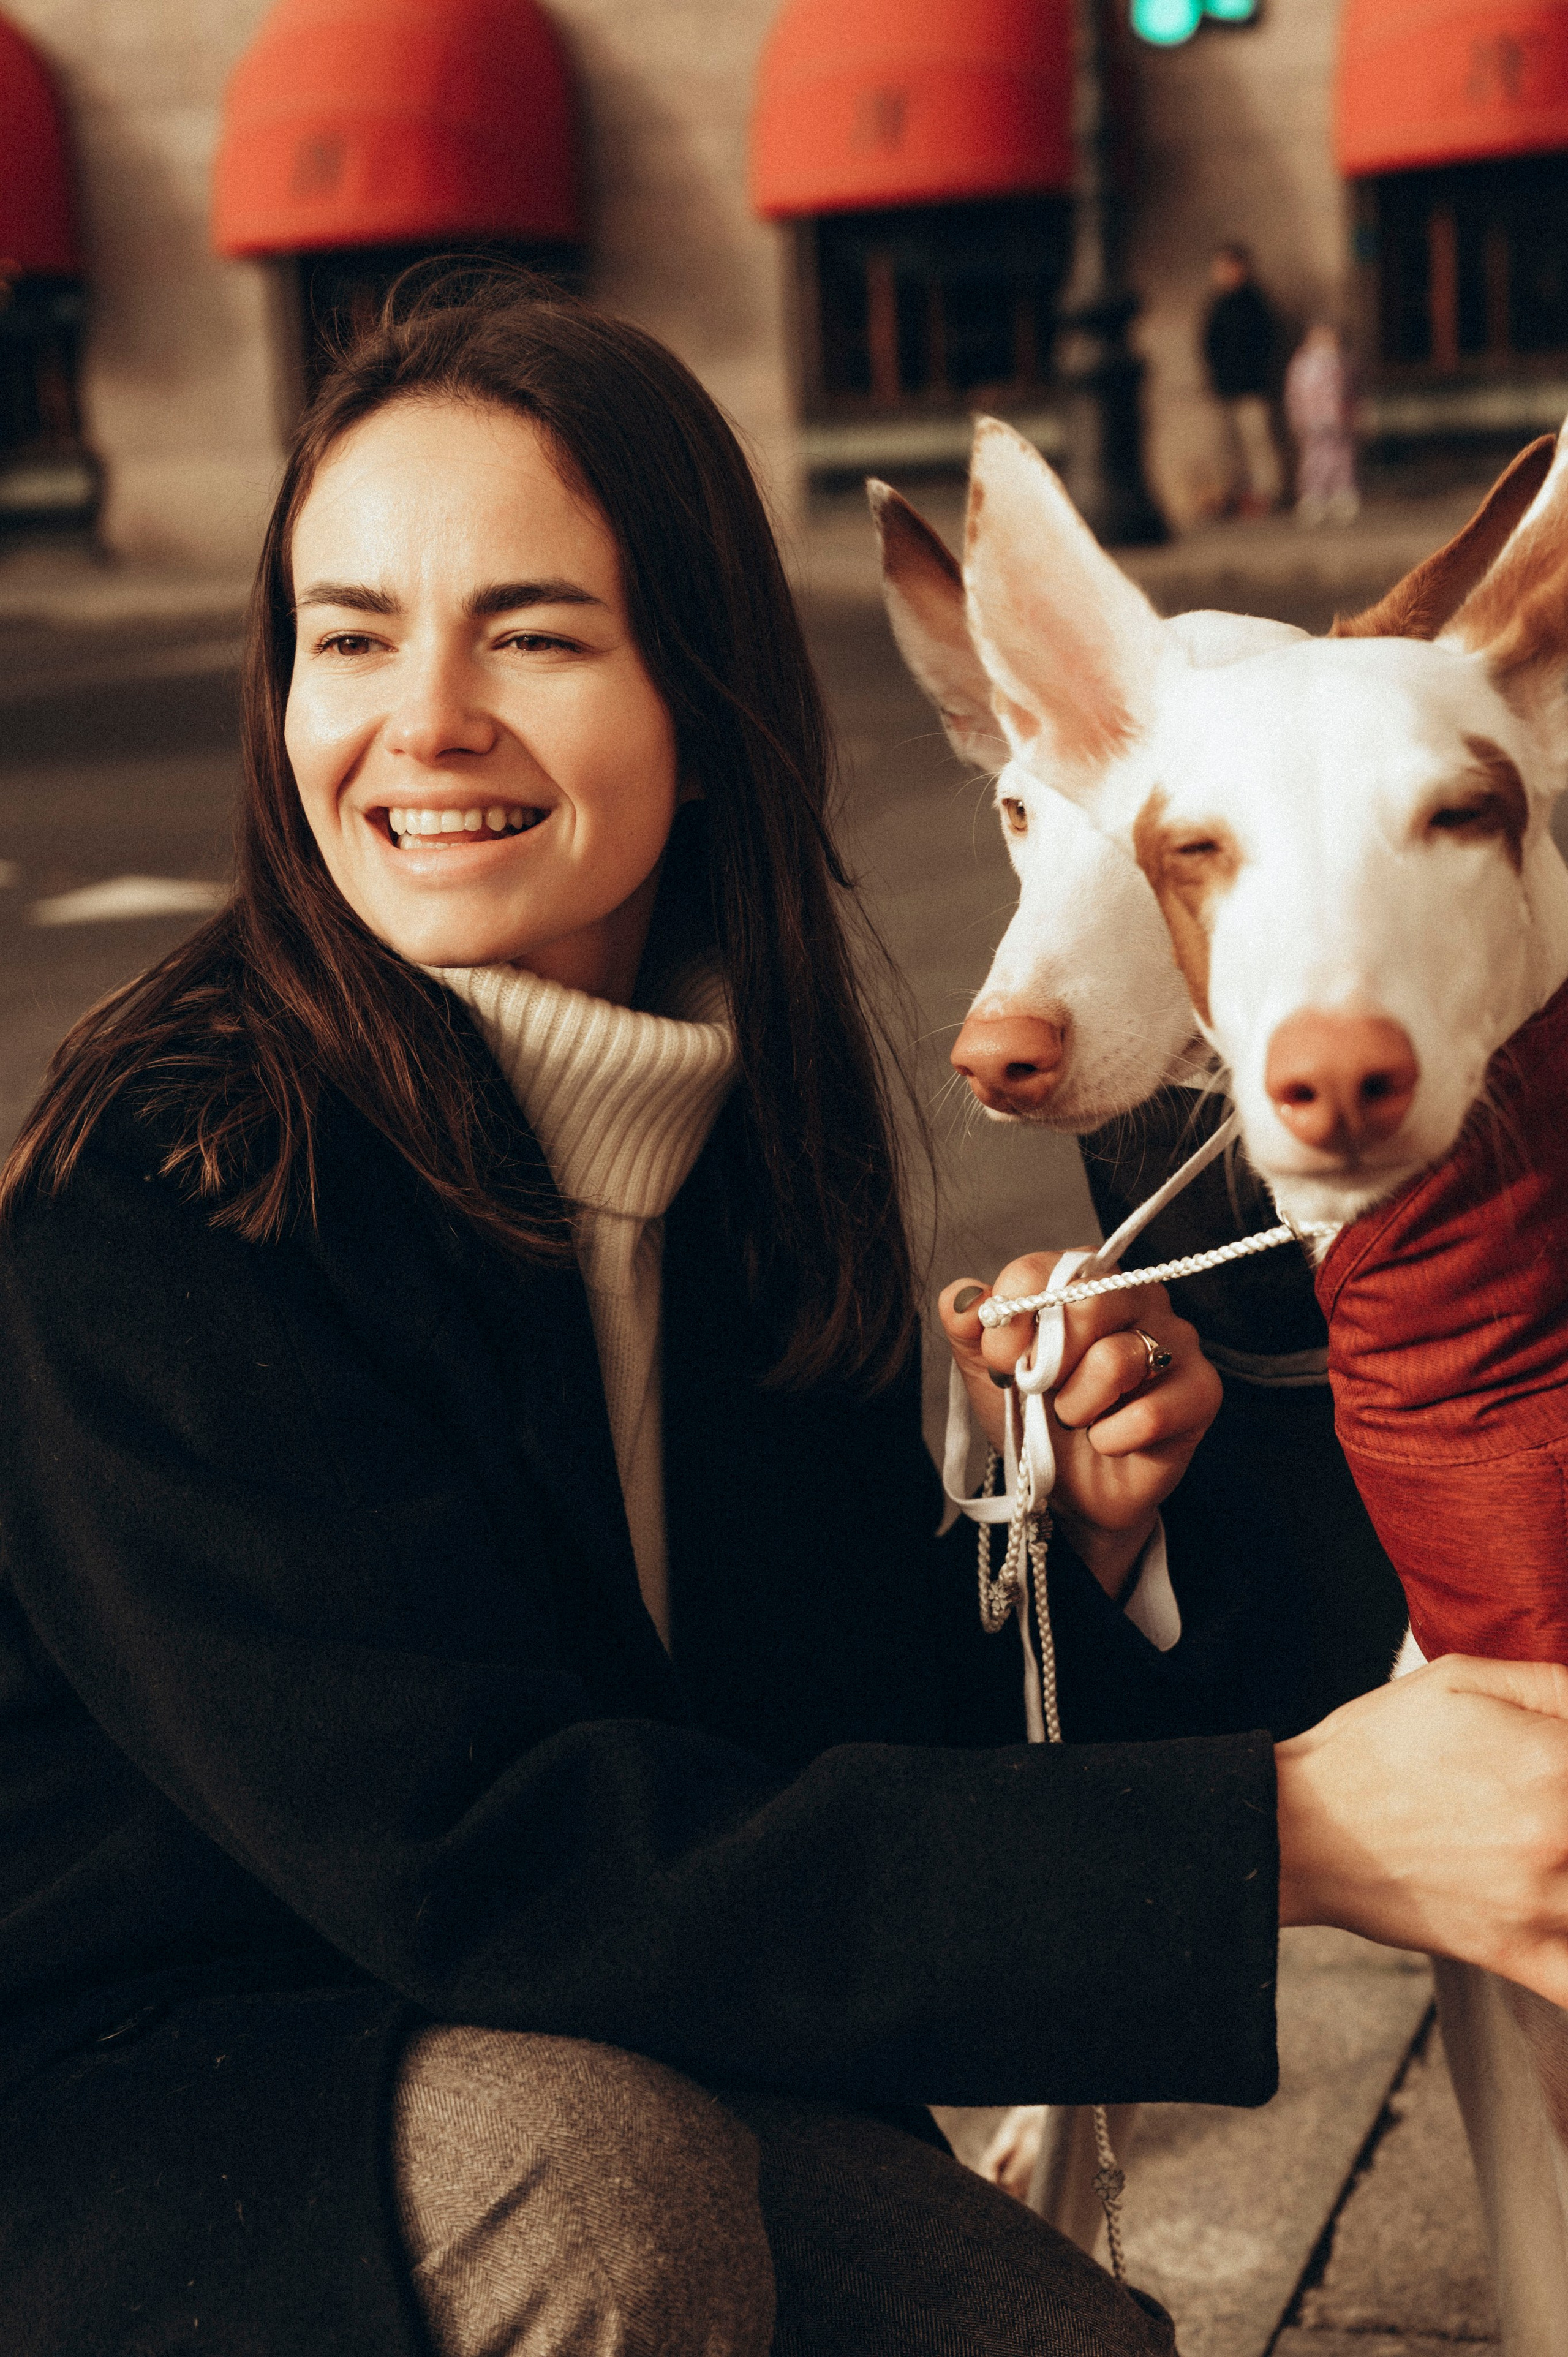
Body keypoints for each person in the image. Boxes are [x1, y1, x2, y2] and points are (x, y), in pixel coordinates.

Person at [4, 274, 1568, 2357]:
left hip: (580, 2041)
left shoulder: (729, 1124)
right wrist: (1296, 1835)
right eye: (349, 633)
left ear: (701, 689)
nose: (425, 714)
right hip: (169, 2103)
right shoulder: (164, 1187)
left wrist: (1090, 1529)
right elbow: (484, 1849)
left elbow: (828, 1749)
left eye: (532, 631)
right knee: (600, 2193)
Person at [1202, 241, 1282, 518]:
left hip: (1252, 386)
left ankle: (1266, 495)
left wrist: (1258, 373)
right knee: (1225, 447)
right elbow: (1209, 344)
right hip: (1224, 388)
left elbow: (1267, 343)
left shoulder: (1256, 304)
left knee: (1257, 442)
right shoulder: (1217, 305)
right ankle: (1232, 496)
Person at [1284, 322, 1359, 526]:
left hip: (1338, 420)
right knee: (1314, 459)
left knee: (1341, 458)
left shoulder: (1342, 364)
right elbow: (1296, 395)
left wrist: (1352, 414)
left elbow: (1350, 392)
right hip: (1313, 420)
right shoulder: (1303, 366)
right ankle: (1313, 495)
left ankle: (1341, 494)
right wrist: (1299, 416)